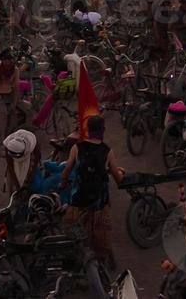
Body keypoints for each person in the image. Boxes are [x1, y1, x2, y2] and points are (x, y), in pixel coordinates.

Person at [59, 114, 124, 268]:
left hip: (77, 199)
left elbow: (67, 170)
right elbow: (118, 179)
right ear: (103, 130)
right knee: (101, 237)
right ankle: (103, 263)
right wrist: (121, 173)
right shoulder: (107, 151)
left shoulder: (77, 148)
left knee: (75, 233)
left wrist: (62, 184)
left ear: (87, 130)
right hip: (99, 202)